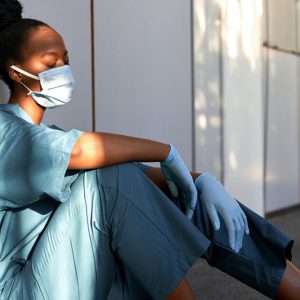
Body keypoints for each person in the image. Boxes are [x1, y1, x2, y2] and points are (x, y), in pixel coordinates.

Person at [0, 1, 299, 299]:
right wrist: (166, 151)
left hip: (71, 275)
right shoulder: (5, 129)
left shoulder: (47, 136)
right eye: (50, 64)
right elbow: (84, 153)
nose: (63, 70)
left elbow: (137, 176)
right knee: (108, 181)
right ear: (16, 73)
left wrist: (199, 181)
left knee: (191, 197)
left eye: (66, 61)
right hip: (22, 288)